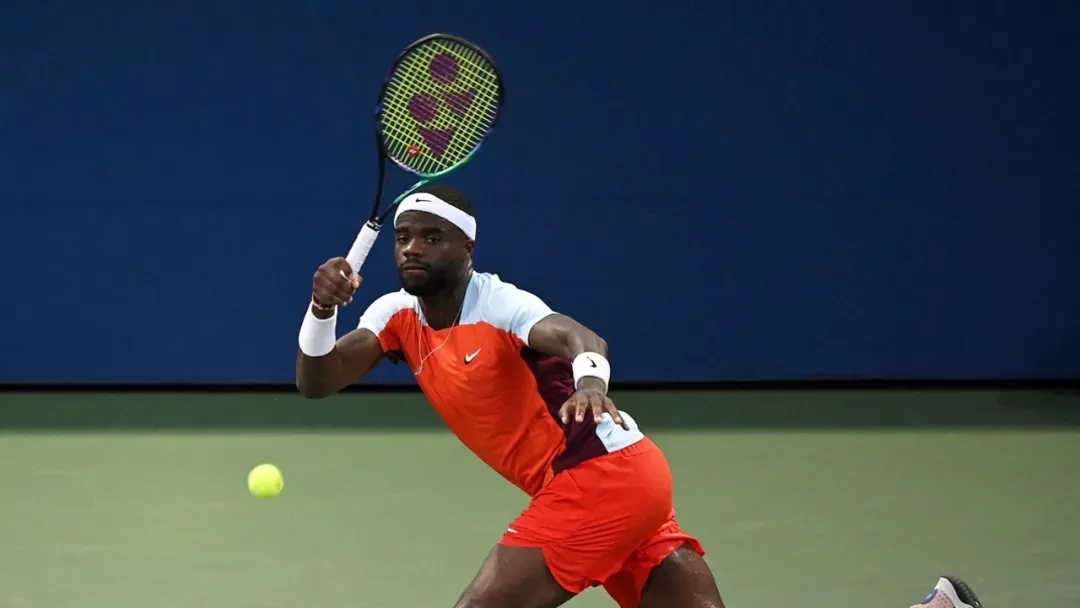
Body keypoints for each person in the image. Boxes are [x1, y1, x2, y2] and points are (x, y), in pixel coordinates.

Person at [294, 183, 984, 608]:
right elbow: (316, 380)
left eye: (432, 237)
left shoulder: (499, 303)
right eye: (405, 238)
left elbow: (578, 336)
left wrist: (591, 380)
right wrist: (322, 309)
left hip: (599, 479)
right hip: (626, 483)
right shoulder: (393, 316)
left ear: (466, 250)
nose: (413, 249)